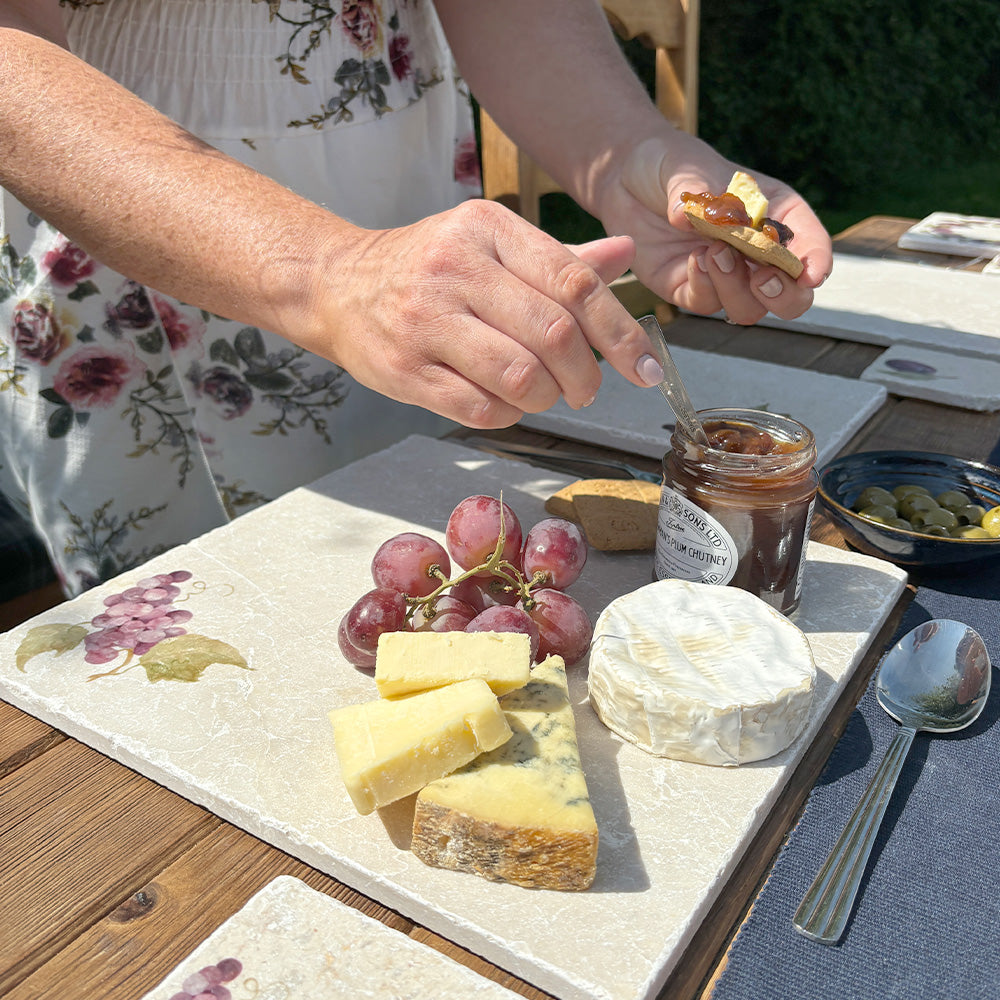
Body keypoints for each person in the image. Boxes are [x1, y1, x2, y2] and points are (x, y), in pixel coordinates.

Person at [0, 0, 833, 597]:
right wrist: (334, 271)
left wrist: (625, 151)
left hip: (401, 205)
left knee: (425, 584)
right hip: (134, 205)